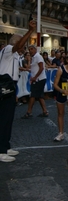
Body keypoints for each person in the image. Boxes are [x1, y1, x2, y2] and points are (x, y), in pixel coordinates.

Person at [0, 19, 36, 162]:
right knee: (3, 119)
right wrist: (30, 31)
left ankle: (5, 145)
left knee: (8, 118)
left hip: (10, 87)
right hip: (4, 86)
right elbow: (18, 45)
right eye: (22, 45)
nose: (24, 48)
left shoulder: (14, 55)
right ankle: (1, 151)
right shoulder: (8, 49)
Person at [21, 45, 49, 118]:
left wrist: (35, 77)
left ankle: (29, 112)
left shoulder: (37, 56)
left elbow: (41, 68)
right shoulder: (33, 57)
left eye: (32, 49)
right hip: (38, 79)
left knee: (32, 95)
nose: (30, 51)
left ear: (35, 49)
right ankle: (45, 111)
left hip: (38, 79)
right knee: (39, 96)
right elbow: (34, 68)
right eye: (29, 49)